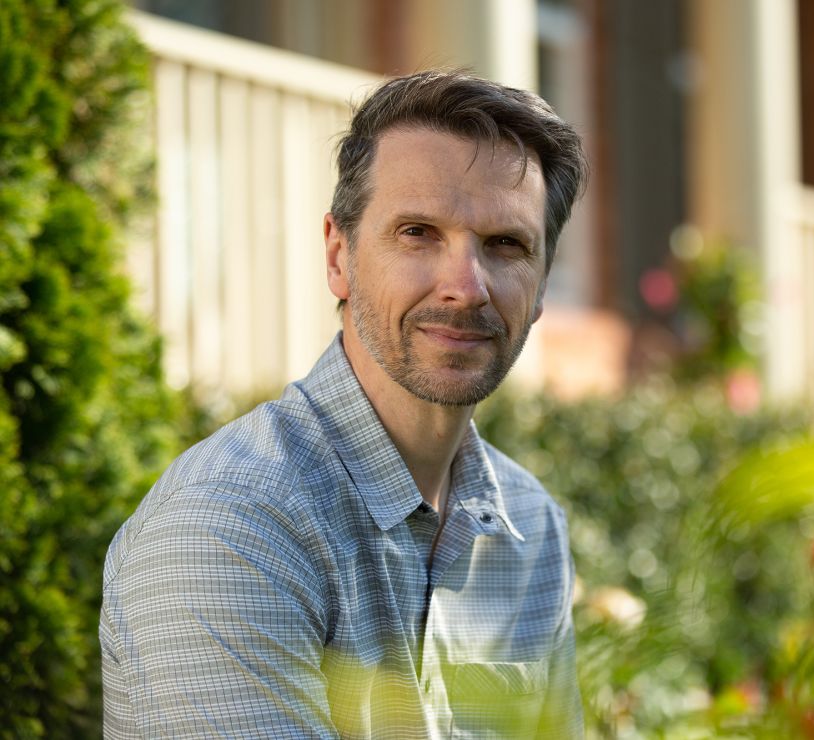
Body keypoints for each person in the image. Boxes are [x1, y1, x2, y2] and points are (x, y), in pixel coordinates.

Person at [100, 70, 588, 738]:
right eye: (417, 232)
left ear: (538, 290)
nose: (466, 287)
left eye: (506, 244)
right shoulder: (227, 528)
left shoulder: (531, 528)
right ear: (339, 255)